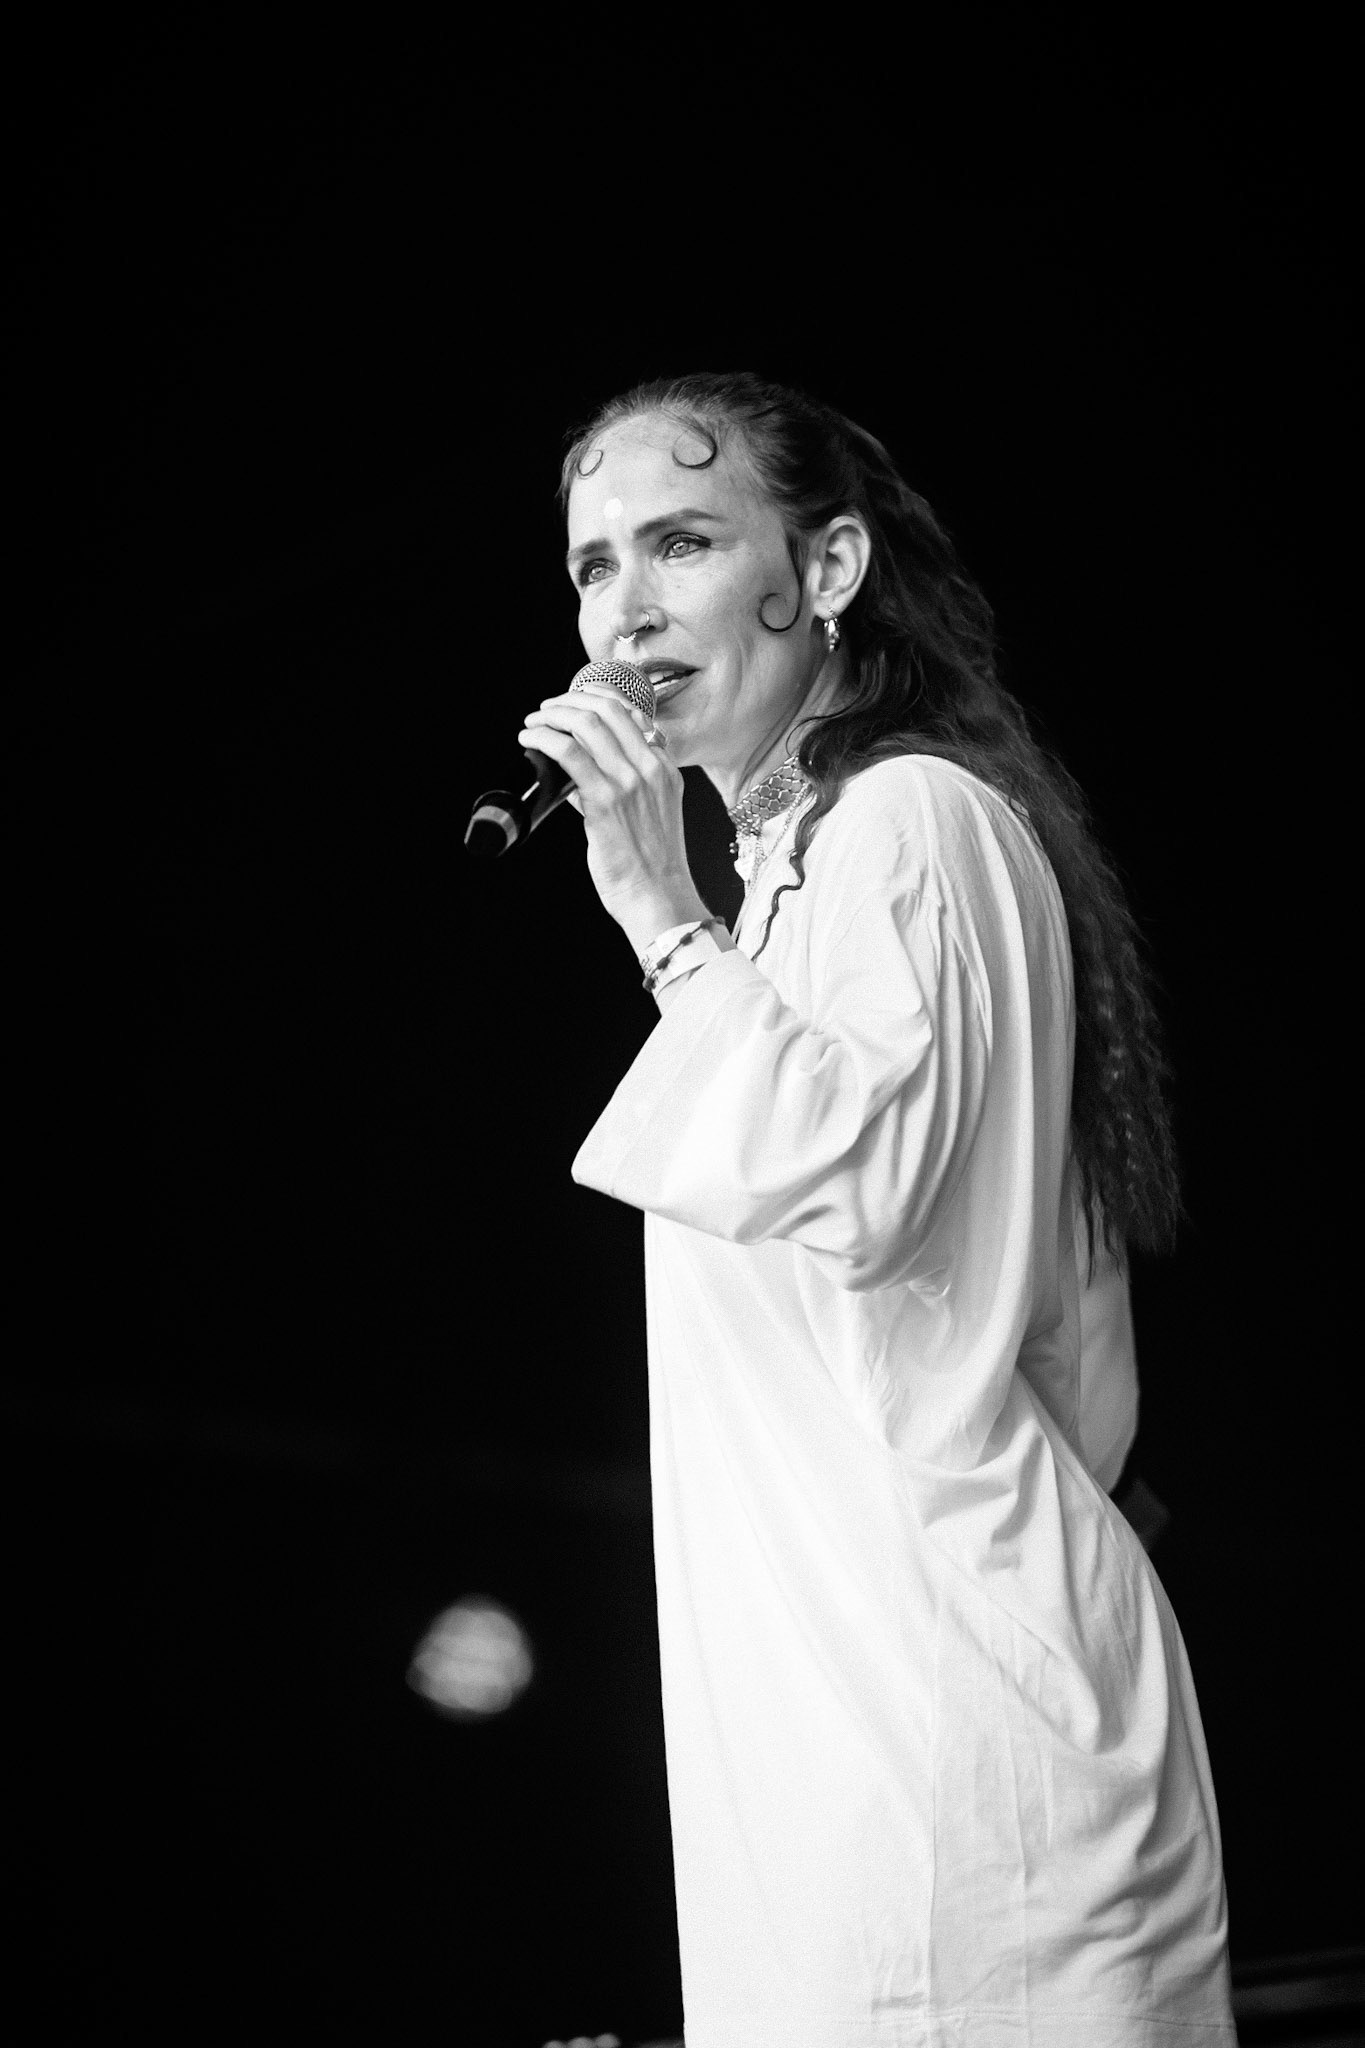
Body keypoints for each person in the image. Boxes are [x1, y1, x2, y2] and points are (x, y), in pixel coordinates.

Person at [518, 373, 1233, 2048]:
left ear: (827, 569)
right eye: (590, 566)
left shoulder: (905, 822)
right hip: (834, 1732)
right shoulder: (799, 876)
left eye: (681, 542)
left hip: (953, 1742)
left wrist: (656, 911)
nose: (623, 608)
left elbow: (869, 1186)